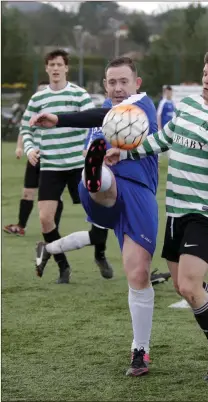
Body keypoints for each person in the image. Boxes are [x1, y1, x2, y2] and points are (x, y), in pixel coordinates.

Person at [105, 48, 208, 382]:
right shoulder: (186, 108)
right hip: (177, 212)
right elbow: (162, 139)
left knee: (188, 284)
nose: (205, 78)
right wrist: (125, 154)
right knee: (184, 286)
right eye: (204, 72)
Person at [30, 57, 159, 376]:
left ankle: (140, 350)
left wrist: (60, 118)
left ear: (136, 83)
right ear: (105, 85)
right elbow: (99, 116)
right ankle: (95, 175)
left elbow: (104, 115)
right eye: (111, 82)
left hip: (139, 191)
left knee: (138, 273)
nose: (117, 88)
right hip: (107, 190)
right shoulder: (105, 109)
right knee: (98, 177)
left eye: (123, 81)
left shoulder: (142, 104)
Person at [21, 49, 97, 284]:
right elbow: (26, 129)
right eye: (51, 65)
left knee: (100, 216)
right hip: (51, 166)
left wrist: (90, 146)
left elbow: (94, 122)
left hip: (77, 164)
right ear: (47, 68)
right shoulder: (38, 99)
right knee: (45, 219)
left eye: (59, 65)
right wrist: (30, 149)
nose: (55, 68)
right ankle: (63, 265)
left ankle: (101, 254)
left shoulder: (79, 94)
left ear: (66, 68)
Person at [3, 82, 58, 237]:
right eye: (39, 90)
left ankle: (53, 227)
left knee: (53, 196)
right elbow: (24, 130)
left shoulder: (56, 114)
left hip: (54, 158)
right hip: (35, 156)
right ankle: (21, 226)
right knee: (27, 192)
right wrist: (20, 147)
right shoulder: (32, 112)